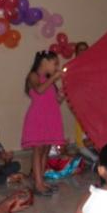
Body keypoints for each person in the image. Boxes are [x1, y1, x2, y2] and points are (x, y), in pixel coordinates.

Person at [21, 50, 65, 196]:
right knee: (38, 150)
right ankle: (38, 184)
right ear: (44, 62)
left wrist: (61, 96)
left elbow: (54, 102)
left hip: (51, 117)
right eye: (55, 63)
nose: (56, 66)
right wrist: (53, 78)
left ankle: (41, 180)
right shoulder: (33, 76)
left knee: (46, 150)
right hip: (38, 117)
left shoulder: (49, 81)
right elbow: (39, 90)